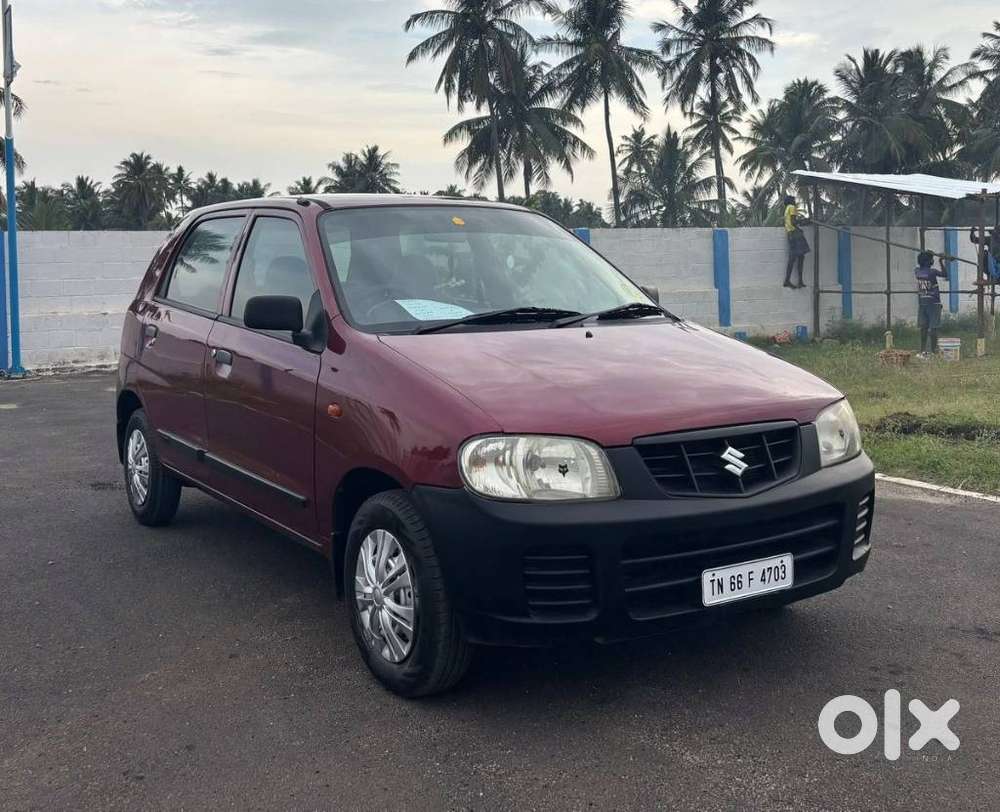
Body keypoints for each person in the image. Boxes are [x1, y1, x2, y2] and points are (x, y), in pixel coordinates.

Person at [914, 250, 948, 355]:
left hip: (922, 303)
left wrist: (931, 255)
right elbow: (945, 274)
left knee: (923, 328)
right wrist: (941, 261)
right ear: (928, 262)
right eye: (931, 260)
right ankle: (934, 351)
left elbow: (922, 266)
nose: (932, 261)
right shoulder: (932, 272)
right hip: (934, 303)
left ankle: (923, 350)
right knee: (934, 328)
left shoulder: (917, 271)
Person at [783, 194, 810, 289]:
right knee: (799, 257)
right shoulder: (792, 208)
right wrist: (803, 221)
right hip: (795, 234)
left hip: (790, 233)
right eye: (794, 200)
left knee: (795, 257)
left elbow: (790, 223)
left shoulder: (786, 209)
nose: (795, 202)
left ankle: (791, 280)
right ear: (791, 201)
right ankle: (798, 281)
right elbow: (794, 222)